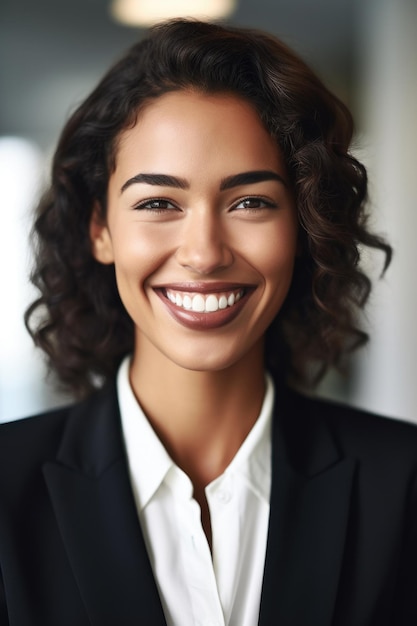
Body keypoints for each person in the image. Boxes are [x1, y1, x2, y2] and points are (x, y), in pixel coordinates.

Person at [0, 17, 416, 626]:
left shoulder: (403, 485)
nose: (204, 253)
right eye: (158, 203)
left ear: (302, 227)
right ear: (101, 229)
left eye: (250, 202)